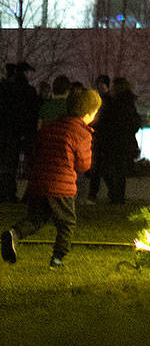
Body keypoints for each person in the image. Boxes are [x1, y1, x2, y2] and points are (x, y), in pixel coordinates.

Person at [2, 87, 101, 268]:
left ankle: (13, 233)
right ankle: (57, 260)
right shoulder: (82, 133)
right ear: (88, 114)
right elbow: (83, 165)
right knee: (67, 224)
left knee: (37, 219)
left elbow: (35, 151)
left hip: (38, 183)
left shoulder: (50, 126)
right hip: (61, 187)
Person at [0, 62, 41, 203]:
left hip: (6, 131)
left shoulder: (5, 89)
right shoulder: (27, 91)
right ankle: (11, 193)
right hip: (18, 132)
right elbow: (32, 113)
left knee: (6, 164)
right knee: (13, 164)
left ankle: (6, 192)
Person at [95, 78, 141, 204]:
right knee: (119, 171)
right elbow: (135, 122)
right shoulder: (128, 103)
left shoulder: (115, 104)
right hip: (124, 142)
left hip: (114, 141)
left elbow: (108, 121)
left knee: (109, 169)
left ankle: (116, 196)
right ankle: (118, 196)